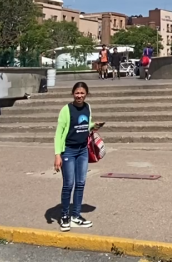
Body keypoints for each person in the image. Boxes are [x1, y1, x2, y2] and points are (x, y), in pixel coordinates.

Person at [54, 82, 100, 232]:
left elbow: (85, 125)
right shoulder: (66, 110)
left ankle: (76, 215)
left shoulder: (87, 107)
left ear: (86, 93)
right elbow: (58, 134)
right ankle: (65, 216)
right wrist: (57, 155)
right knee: (69, 184)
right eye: (77, 93)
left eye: (82, 93)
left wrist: (93, 126)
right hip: (68, 151)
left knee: (81, 183)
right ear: (73, 93)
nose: (79, 96)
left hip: (82, 151)